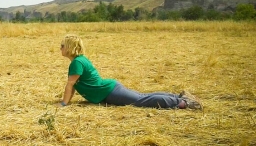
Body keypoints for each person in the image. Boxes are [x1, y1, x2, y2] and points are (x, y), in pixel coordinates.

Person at [55, 34, 203, 110]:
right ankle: (178, 97)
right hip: (108, 90)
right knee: (142, 96)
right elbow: (73, 86)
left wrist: (63, 104)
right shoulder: (79, 60)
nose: (60, 48)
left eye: (62, 46)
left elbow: (70, 85)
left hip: (109, 91)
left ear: (69, 47)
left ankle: (183, 103)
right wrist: (66, 101)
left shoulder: (77, 62)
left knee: (140, 101)